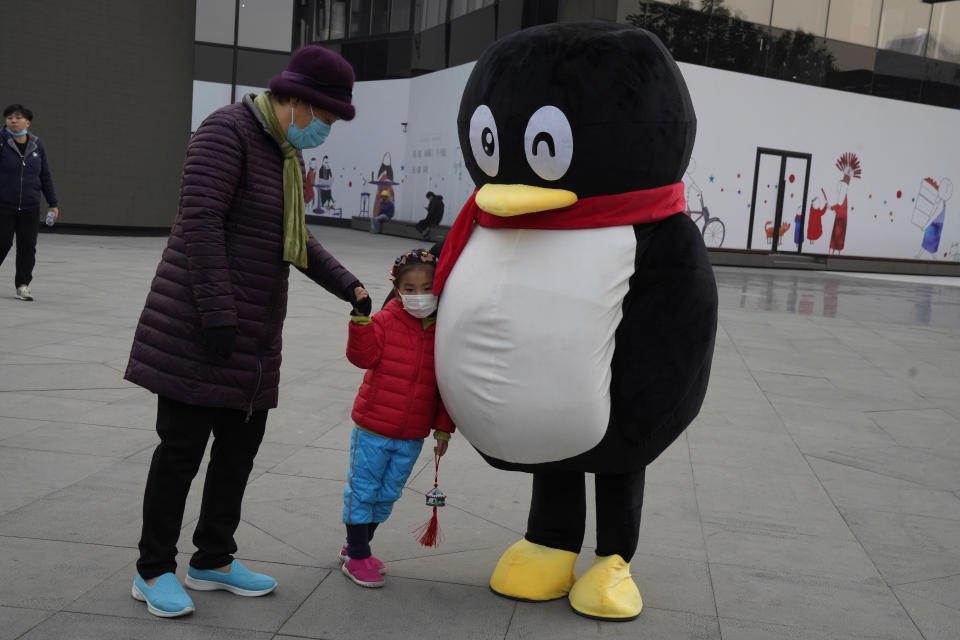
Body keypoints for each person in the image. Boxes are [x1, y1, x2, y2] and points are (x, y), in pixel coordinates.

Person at [124, 45, 372, 619]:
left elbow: (293, 239)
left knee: (237, 454)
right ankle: (153, 568)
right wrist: (217, 315)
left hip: (254, 337)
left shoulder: (284, 153)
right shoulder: (227, 131)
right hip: (203, 328)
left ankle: (212, 558)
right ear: (300, 101)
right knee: (181, 452)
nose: (326, 131)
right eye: (327, 119)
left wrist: (350, 287)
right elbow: (200, 223)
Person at [339, 249, 454, 588]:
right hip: (373, 427)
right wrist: (360, 320)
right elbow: (362, 357)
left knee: (387, 494)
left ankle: (356, 546)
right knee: (363, 491)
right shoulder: (385, 321)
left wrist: (443, 430)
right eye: (410, 289)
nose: (419, 296)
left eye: (427, 288)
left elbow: (447, 386)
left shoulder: (444, 332)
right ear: (397, 289)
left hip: (412, 434)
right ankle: (357, 554)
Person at [0, 104, 59, 301]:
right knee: (2, 243)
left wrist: (53, 203)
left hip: (30, 207)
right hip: (4, 205)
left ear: (28, 122)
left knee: (27, 247)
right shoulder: (1, 142)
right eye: (9, 117)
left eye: (18, 117)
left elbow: (45, 175)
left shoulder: (37, 145)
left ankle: (23, 285)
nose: (13, 120)